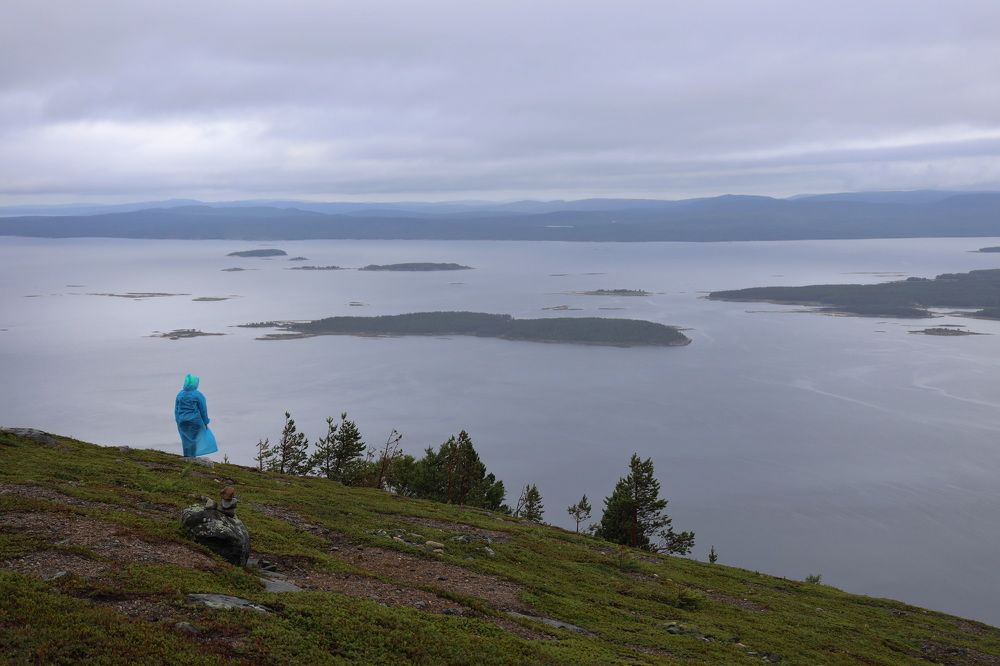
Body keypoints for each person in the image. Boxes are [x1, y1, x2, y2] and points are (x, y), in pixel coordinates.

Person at [175, 373, 212, 457]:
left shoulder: (180, 394)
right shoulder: (198, 395)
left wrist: (177, 420)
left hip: (182, 421)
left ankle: (187, 457)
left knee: (185, 440)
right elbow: (203, 410)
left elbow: (176, 410)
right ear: (195, 383)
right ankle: (192, 458)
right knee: (194, 439)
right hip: (194, 421)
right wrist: (206, 422)